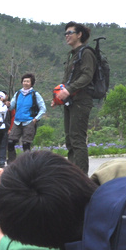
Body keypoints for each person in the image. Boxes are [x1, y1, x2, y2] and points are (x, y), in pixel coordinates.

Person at [52, 22, 95, 174]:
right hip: (70, 101)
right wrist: (58, 97)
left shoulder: (86, 53)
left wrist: (68, 90)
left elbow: (87, 76)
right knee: (70, 140)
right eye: (65, 33)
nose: (67, 36)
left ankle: (82, 177)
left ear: (79, 34)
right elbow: (68, 80)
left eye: (70, 32)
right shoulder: (72, 55)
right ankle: (72, 175)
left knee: (77, 140)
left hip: (81, 101)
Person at [7, 73, 47, 163]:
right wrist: (8, 104)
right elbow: (11, 107)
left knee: (26, 144)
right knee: (10, 142)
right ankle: (11, 163)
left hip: (29, 122)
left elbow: (43, 108)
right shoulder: (18, 93)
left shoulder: (35, 94)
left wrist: (35, 119)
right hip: (17, 122)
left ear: (31, 83)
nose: (25, 83)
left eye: (28, 81)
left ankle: (27, 163)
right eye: (24, 81)